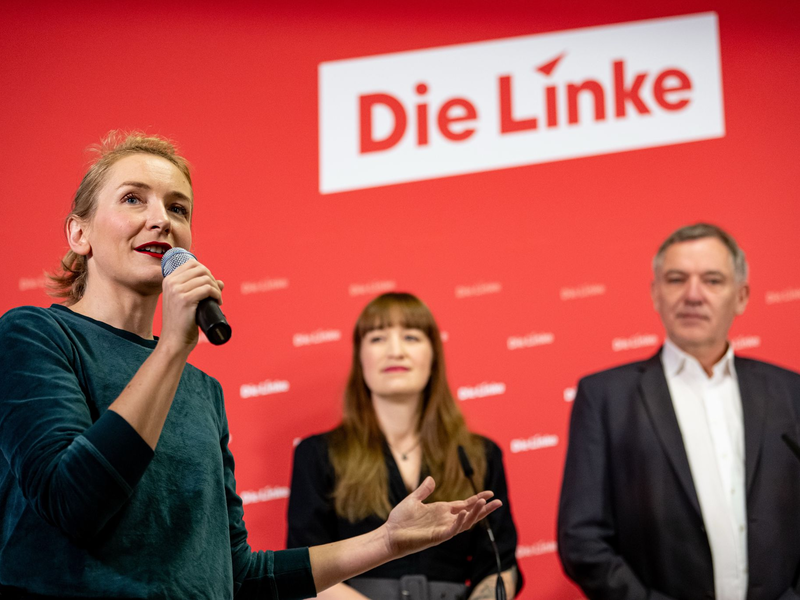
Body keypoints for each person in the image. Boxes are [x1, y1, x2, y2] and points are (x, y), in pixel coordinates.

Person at [0, 132, 502, 599]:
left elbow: (236, 572)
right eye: (134, 198)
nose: (161, 220)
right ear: (78, 233)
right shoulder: (34, 335)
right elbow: (72, 501)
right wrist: (174, 344)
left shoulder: (201, 390)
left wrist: (385, 543)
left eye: (178, 207)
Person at [557, 223, 800, 600]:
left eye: (713, 280)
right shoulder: (605, 397)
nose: (693, 295)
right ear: (655, 293)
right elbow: (582, 539)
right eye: (676, 279)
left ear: (741, 296)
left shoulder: (790, 391)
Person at [287, 292, 522, 600]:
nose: (395, 352)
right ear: (360, 357)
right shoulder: (317, 454)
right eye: (377, 338)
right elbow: (305, 569)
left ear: (433, 355)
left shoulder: (481, 455)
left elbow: (498, 565)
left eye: (411, 337)